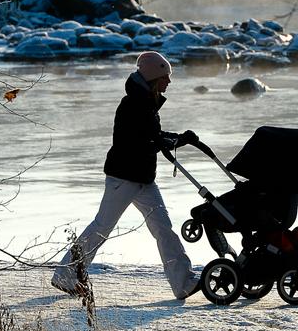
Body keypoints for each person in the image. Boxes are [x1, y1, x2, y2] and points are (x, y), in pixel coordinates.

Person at [51, 51, 201, 299]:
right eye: (165, 76)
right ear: (154, 76)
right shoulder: (133, 105)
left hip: (143, 177)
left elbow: (153, 137)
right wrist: (176, 141)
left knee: (163, 228)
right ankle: (65, 276)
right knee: (101, 227)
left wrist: (177, 139)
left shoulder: (147, 102)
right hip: (123, 177)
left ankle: (183, 282)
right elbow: (144, 141)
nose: (169, 82)